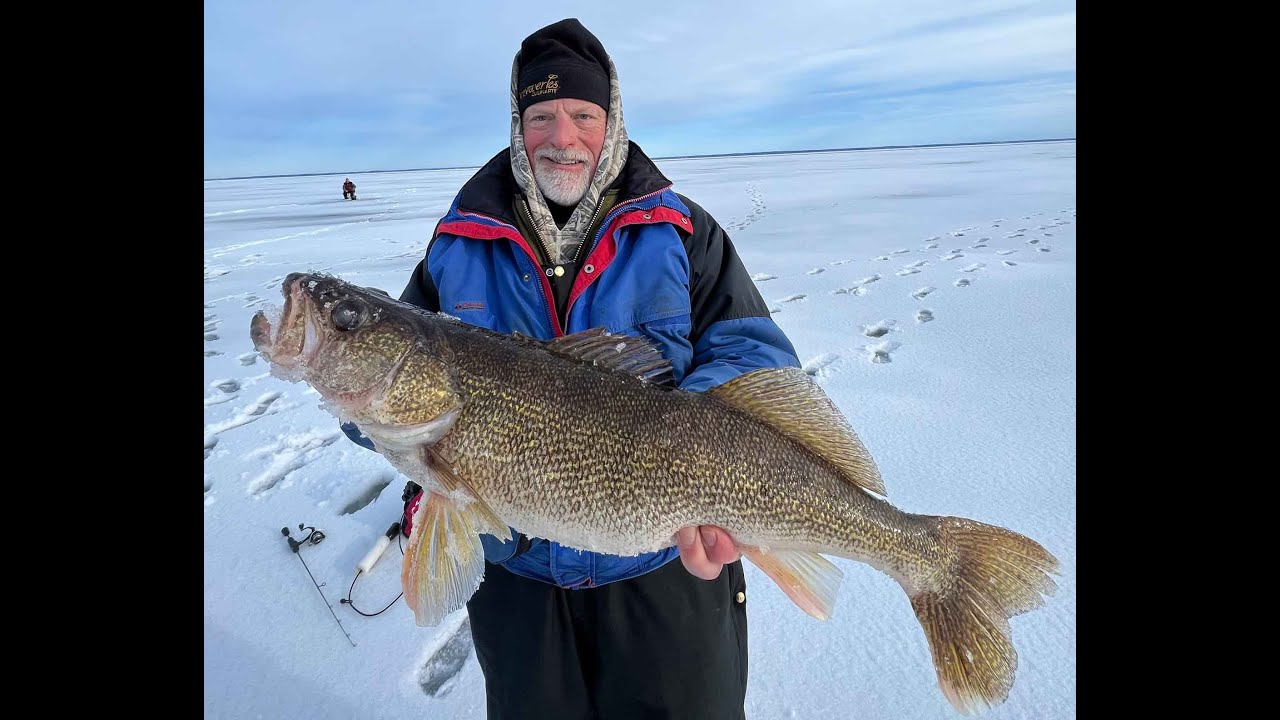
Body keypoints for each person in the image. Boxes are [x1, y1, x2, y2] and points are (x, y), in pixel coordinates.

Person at [341, 18, 800, 720]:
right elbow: (394, 386)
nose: (563, 137)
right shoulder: (457, 242)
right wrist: (344, 391)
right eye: (542, 115)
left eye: (584, 115)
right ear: (517, 124)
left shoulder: (683, 231)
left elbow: (756, 358)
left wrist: (690, 444)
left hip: (664, 573)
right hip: (519, 584)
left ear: (610, 122)